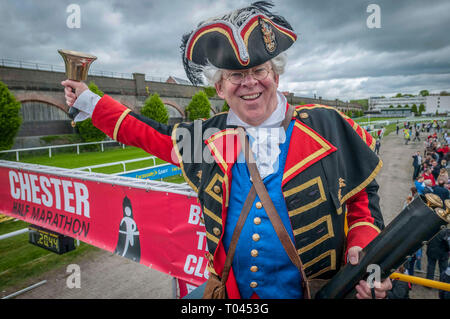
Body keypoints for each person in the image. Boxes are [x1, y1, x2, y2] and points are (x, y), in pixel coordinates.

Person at [61, 1, 391, 299]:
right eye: (236, 75)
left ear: (275, 76)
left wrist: (361, 244)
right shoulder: (209, 138)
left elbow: (361, 203)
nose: (249, 83)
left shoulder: (326, 126)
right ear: (219, 86)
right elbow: (148, 133)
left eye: (259, 70)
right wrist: (88, 100)